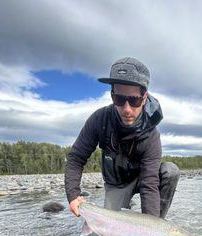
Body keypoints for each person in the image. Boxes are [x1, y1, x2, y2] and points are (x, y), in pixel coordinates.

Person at [65, 57, 180, 225]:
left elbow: (149, 184)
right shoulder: (99, 119)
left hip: (143, 179)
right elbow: (76, 158)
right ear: (112, 95)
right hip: (116, 184)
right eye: (119, 99)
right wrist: (73, 195)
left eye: (134, 100)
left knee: (170, 171)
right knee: (111, 231)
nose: (127, 109)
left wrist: (153, 230)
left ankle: (157, 227)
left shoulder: (152, 135)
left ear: (145, 97)